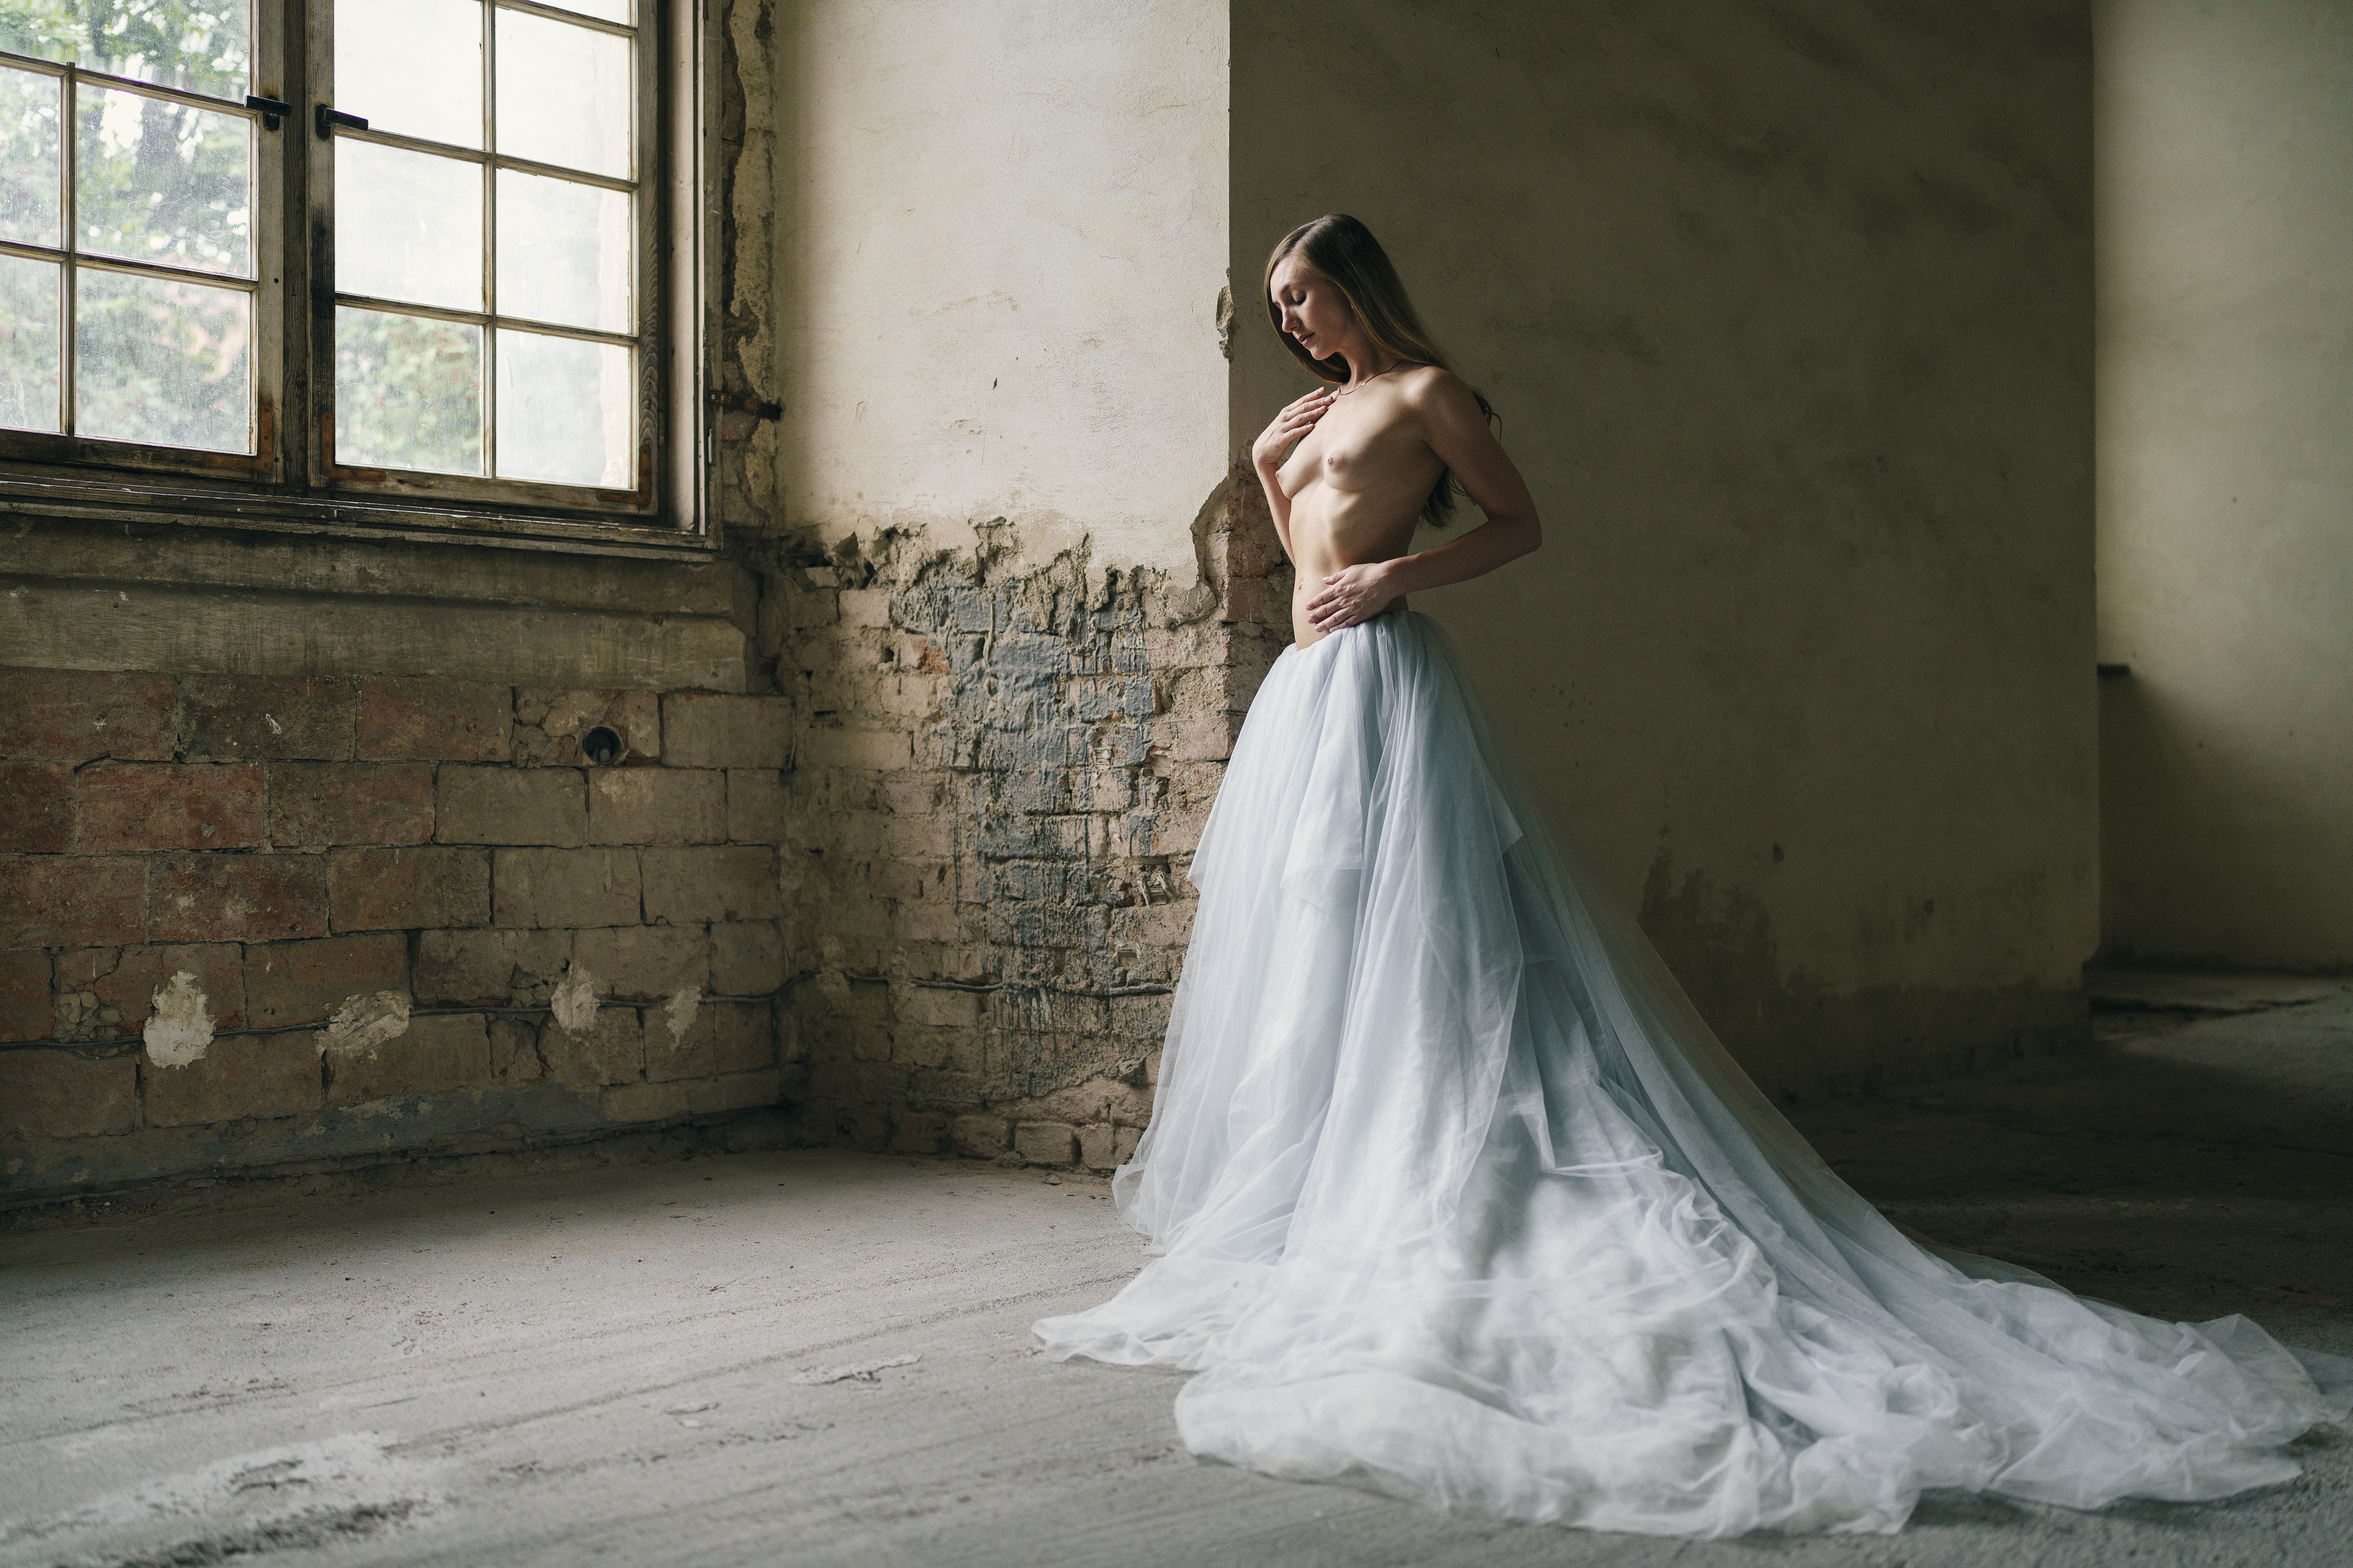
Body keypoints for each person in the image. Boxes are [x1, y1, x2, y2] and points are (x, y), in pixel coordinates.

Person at [1031, 213, 2352, 1537]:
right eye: (1276, 307)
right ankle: (1317, 1188)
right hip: (1311, 695)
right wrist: (1272, 477)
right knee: (1315, 937)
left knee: (1420, 936)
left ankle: (1436, 1166)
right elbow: (1290, 565)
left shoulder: (1429, 394)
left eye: (1303, 296)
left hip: (1388, 681)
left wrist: (1397, 575)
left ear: (1355, 286)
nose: (1291, 323)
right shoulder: (1308, 415)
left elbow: (1519, 523)